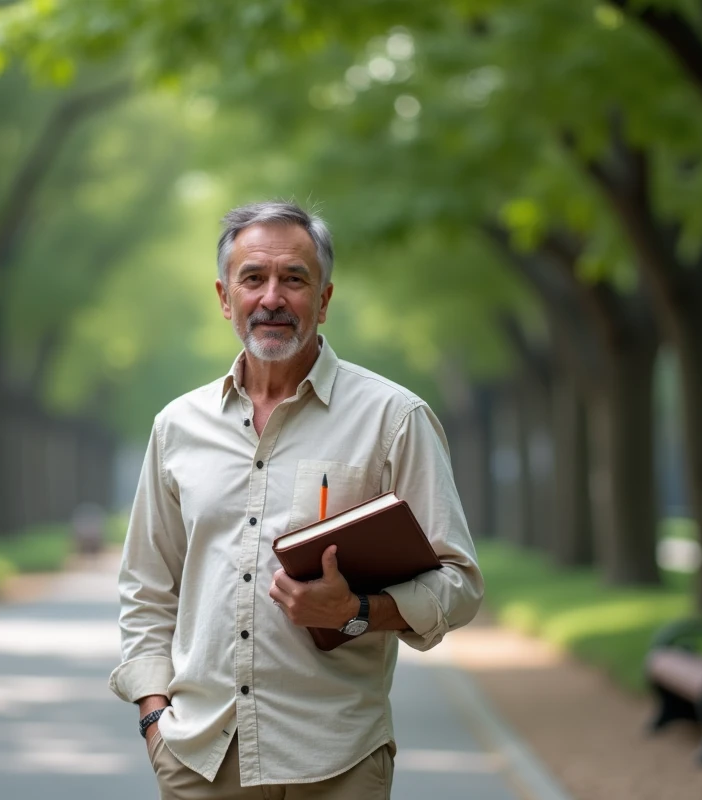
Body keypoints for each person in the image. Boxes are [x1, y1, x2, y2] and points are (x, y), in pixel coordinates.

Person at [108, 201, 483, 799]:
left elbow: (459, 583)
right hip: (198, 759)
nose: (273, 298)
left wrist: (356, 610)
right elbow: (148, 589)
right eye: (253, 278)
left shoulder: (393, 419)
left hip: (337, 758)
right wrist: (156, 720)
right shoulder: (176, 426)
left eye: (295, 279)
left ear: (325, 299)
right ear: (225, 298)